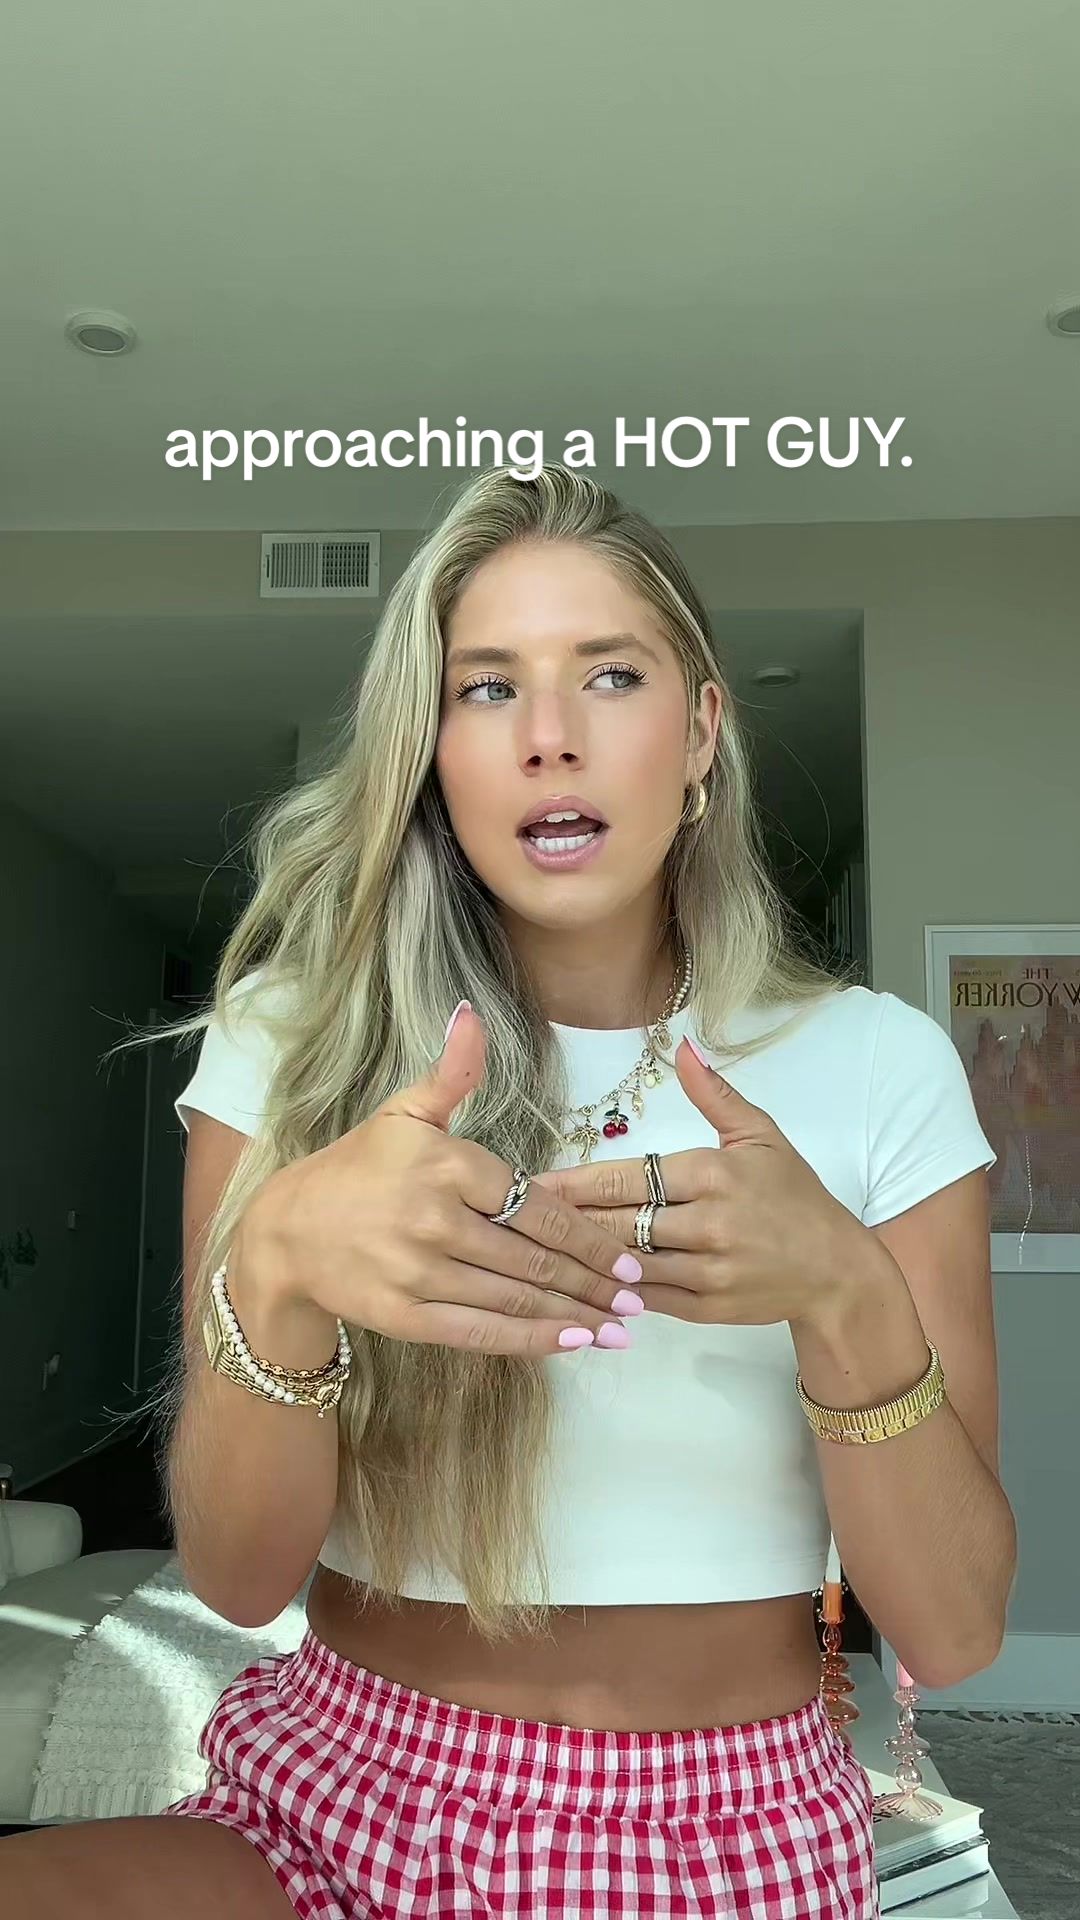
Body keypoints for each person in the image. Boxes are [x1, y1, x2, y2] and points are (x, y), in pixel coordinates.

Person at [1, 465, 1017, 1918]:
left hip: (729, 1827)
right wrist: (273, 1266)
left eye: (611, 674)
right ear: (432, 752)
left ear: (701, 731)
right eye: (487, 688)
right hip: (336, 1789)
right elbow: (235, 1579)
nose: (550, 736)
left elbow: (959, 1631)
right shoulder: (293, 1041)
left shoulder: (878, 1063)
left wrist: (846, 1297)